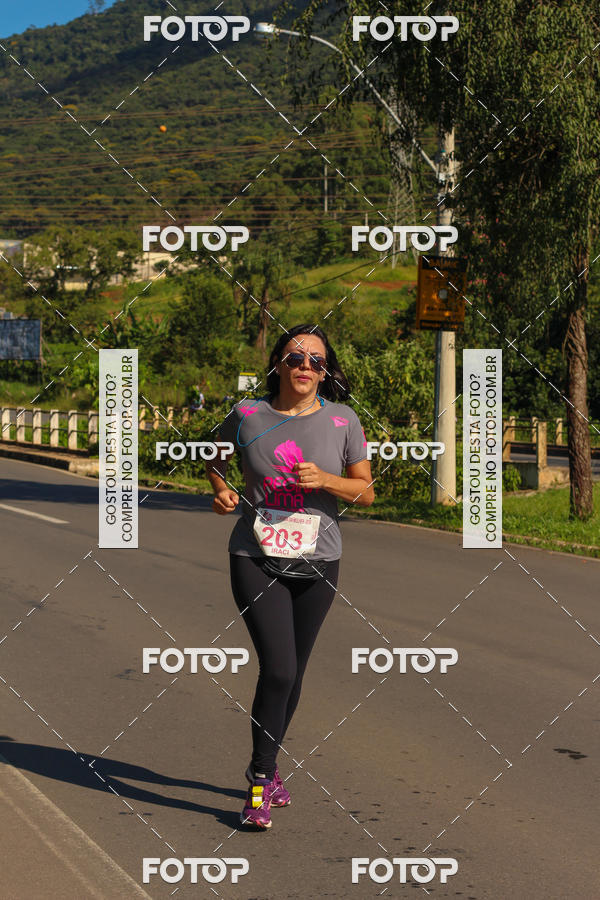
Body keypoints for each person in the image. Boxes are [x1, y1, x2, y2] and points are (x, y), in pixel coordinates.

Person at [207, 323, 374, 830]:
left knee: (294, 673)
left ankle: (271, 765)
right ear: (278, 362)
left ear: (326, 372)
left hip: (319, 561)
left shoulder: (343, 421)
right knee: (278, 669)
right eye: (296, 357)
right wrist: (221, 490)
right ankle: (259, 783)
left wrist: (326, 480)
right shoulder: (248, 415)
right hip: (255, 555)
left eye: (316, 361)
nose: (305, 366)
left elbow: (366, 493)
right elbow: (214, 457)